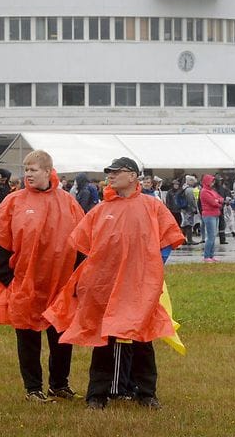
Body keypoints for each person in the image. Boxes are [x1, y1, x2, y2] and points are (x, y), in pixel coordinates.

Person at [44, 156, 185, 410]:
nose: (110, 176)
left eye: (115, 172)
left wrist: (152, 270)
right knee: (104, 338)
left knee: (142, 337)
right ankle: (97, 394)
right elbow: (83, 247)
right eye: (108, 172)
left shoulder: (152, 207)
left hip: (140, 286)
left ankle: (146, 393)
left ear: (132, 176)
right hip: (104, 286)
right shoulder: (100, 210)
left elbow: (168, 240)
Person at [0, 151, 85, 403]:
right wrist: (9, 279)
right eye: (26, 169)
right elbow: (1, 242)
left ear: (48, 171)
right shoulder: (14, 202)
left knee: (61, 337)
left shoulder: (68, 203)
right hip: (25, 284)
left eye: (33, 170)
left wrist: (75, 279)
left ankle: (59, 384)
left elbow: (82, 242)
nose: (28, 174)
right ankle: (33, 388)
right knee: (28, 337)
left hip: (59, 284)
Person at [198, 174, 223, 262]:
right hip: (209, 215)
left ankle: (211, 255)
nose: (213, 183)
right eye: (211, 181)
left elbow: (220, 198)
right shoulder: (204, 191)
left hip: (215, 214)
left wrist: (218, 201)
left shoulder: (212, 191)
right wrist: (218, 202)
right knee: (210, 236)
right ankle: (206, 256)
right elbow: (213, 202)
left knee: (213, 236)